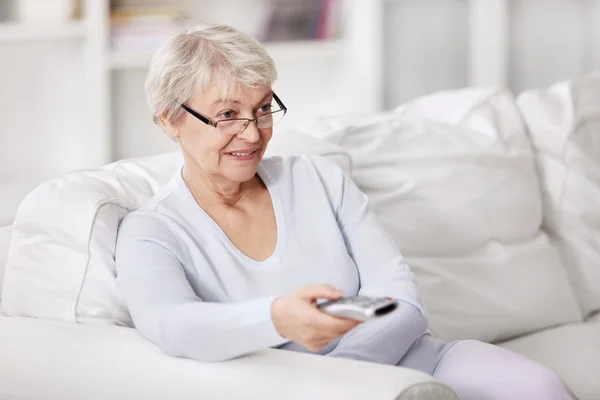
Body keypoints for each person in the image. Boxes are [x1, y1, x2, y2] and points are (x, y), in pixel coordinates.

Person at [115, 23, 575, 400]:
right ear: (169, 119)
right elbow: (173, 325)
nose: (253, 134)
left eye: (262, 110)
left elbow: (401, 298)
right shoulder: (151, 232)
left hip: (412, 361)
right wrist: (275, 318)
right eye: (228, 115)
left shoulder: (316, 178)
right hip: (294, 390)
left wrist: (344, 375)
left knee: (542, 387)